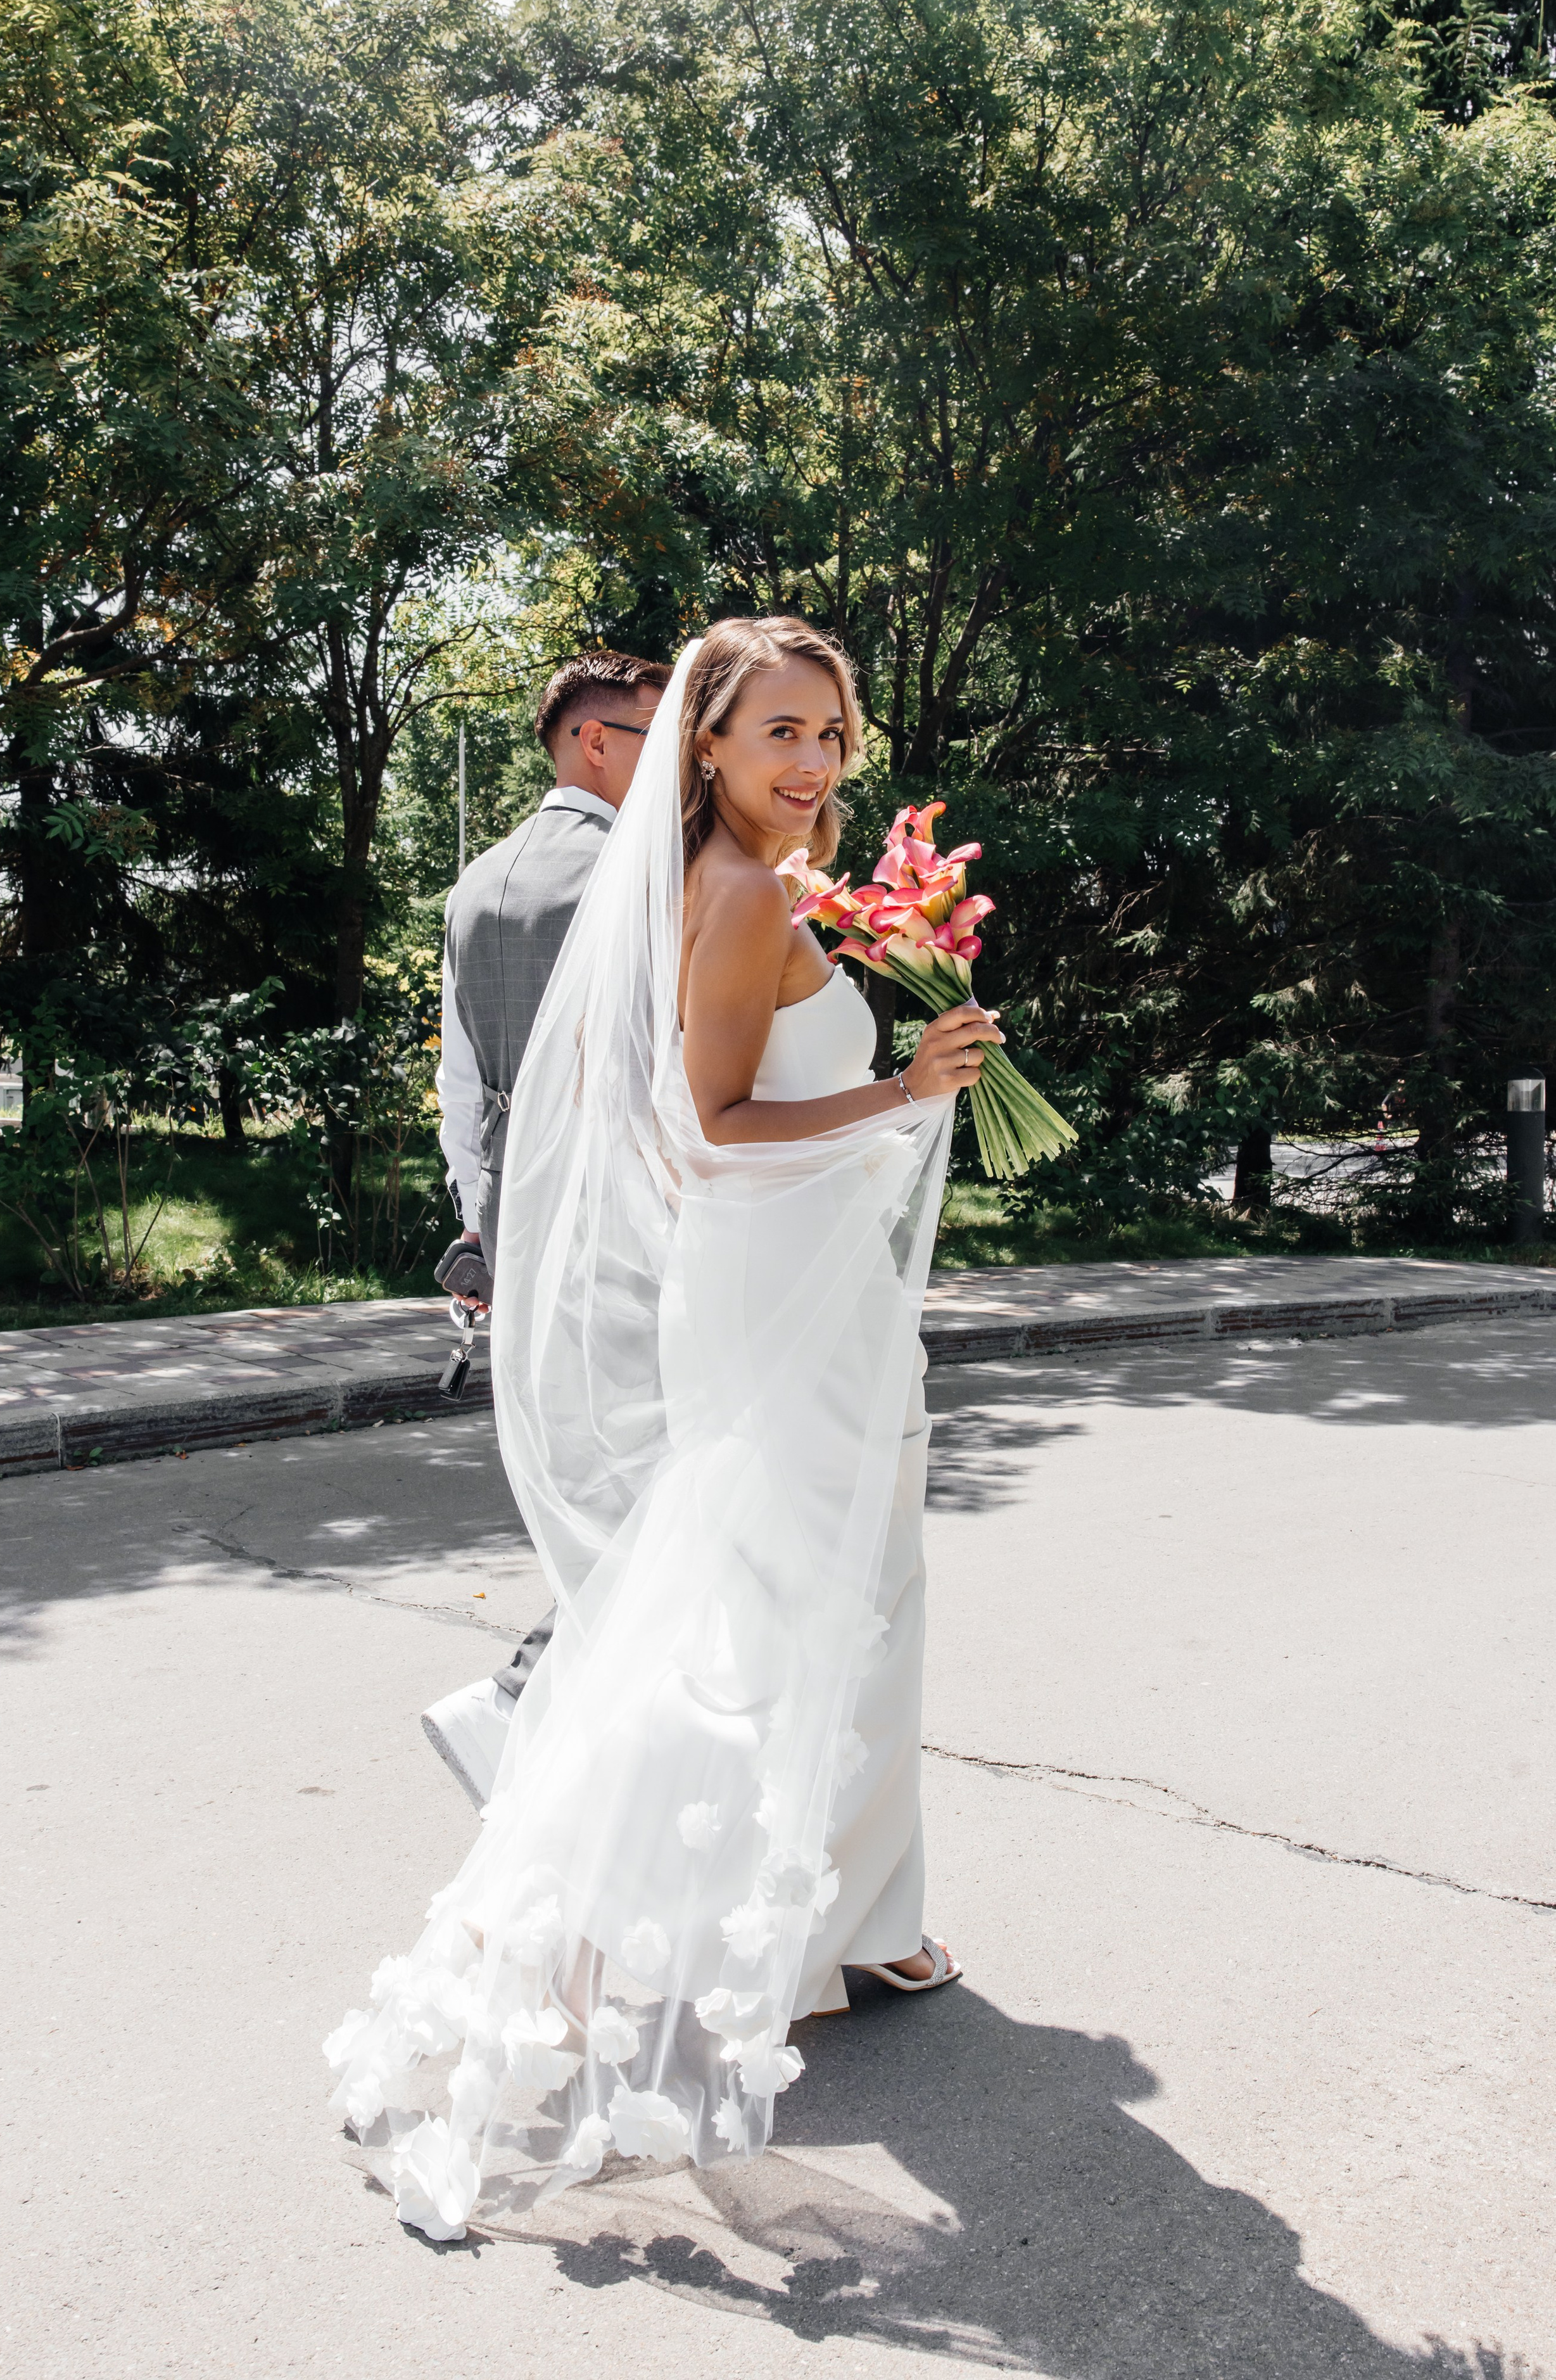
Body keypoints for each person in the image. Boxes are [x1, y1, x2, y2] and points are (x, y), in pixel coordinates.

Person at [326, 617, 1002, 2235]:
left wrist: (896, 1078)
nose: (812, 763)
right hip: (777, 1313)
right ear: (701, 742)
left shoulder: (751, 881)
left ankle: (809, 1917)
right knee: (764, 1617)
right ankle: (620, 1914)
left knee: (793, 1613)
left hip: (803, 1298)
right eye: (779, 731)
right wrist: (897, 1090)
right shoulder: (738, 889)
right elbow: (701, 1126)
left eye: (831, 735)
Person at [425, 649, 670, 1803]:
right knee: (666, 1488)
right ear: (592, 740)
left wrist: (484, 1233)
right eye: (657, 734)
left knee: (608, 1484)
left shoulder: (476, 884)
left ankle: (584, 1745)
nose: (679, 760)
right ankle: (526, 1697)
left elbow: (462, 1086)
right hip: (635, 1221)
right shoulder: (646, 872)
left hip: (527, 1234)